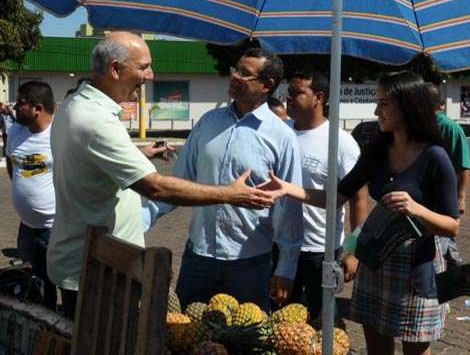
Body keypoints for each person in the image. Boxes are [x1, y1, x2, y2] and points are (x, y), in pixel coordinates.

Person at [47, 32, 276, 319]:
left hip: (99, 264)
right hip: (97, 271)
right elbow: (155, 187)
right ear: (116, 69)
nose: (151, 76)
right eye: (143, 67)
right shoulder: (95, 120)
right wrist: (230, 194)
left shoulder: (78, 105)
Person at [262, 71, 460, 355]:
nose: (376, 110)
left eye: (383, 103)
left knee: (415, 347)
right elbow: (337, 197)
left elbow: (452, 226)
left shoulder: (435, 157)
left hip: (416, 264)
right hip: (375, 259)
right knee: (377, 345)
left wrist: (416, 209)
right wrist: (287, 188)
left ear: (407, 106)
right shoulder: (378, 150)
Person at [145, 48, 303, 311]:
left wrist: (286, 266)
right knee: (185, 337)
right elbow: (178, 183)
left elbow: (289, 208)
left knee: (245, 342)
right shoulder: (208, 123)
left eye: (245, 73)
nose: (235, 77)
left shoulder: (281, 137)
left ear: (267, 85)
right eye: (235, 69)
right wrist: (137, 220)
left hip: (249, 263)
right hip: (199, 259)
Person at [284, 71, 368, 319]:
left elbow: (359, 198)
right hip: (280, 246)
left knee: (322, 321)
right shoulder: (280, 134)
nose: (288, 98)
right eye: (287, 92)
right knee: (279, 321)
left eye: (297, 93)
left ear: (318, 97)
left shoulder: (340, 142)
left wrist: (354, 251)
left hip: (320, 250)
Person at [6, 81, 57, 311]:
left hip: (54, 228)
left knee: (54, 281)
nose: (15, 107)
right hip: (26, 227)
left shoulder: (59, 134)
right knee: (31, 283)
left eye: (21, 103)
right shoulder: (15, 131)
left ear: (37, 108)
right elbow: (11, 163)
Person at [427, 83, 470, 267]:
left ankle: (451, 273)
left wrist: (461, 196)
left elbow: (464, 165)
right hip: (427, 198)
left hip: (443, 198)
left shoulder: (450, 128)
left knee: (443, 241)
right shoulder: (418, 126)